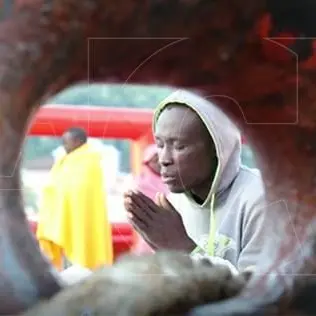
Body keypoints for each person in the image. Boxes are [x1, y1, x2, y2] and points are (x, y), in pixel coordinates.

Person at [124, 89, 279, 271]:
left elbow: (265, 292)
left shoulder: (263, 199)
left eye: (179, 146)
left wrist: (184, 248)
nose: (164, 159)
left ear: (217, 148)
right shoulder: (174, 203)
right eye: (159, 144)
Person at [37, 127, 113, 271]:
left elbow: (81, 192)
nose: (64, 145)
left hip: (81, 220)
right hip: (63, 219)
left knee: (81, 258)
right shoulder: (65, 161)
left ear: (78, 141)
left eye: (66, 142)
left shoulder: (89, 161)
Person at [131, 144, 169, 254]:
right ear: (147, 162)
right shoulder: (140, 184)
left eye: (161, 159)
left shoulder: (174, 182)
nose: (159, 163)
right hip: (149, 231)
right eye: (155, 159)